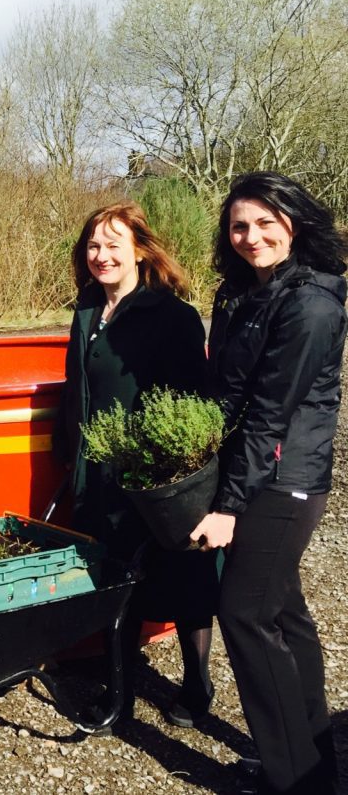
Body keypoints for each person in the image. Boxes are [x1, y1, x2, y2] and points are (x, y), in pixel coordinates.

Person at [192, 173, 346, 795]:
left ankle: (294, 780)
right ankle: (314, 762)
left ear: (295, 224)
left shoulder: (310, 304)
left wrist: (228, 505)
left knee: (245, 614)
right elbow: (224, 390)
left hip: (285, 480)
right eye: (239, 226)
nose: (251, 236)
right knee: (283, 612)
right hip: (257, 469)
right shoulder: (241, 294)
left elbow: (268, 413)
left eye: (264, 222)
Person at [53, 201, 219, 729]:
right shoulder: (86, 310)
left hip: (153, 480)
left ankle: (197, 686)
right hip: (97, 475)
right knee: (112, 581)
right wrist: (68, 458)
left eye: (113, 245)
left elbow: (193, 405)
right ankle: (119, 693)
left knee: (183, 579)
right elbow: (77, 391)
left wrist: (169, 477)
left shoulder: (171, 316)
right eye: (93, 246)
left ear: (141, 251)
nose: (101, 256)